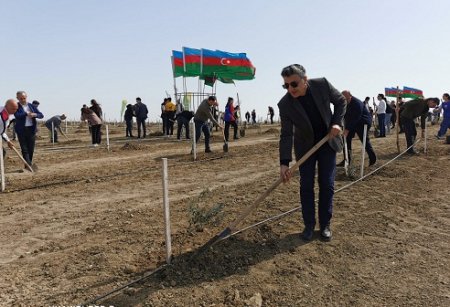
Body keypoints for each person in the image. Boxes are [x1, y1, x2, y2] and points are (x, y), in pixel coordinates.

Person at [278, 64, 345, 242]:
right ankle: (309, 225)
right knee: (306, 186)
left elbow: (340, 101)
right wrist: (284, 163)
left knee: (327, 184)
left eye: (294, 84)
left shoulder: (322, 85)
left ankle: (325, 225)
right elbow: (286, 134)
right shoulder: (285, 104)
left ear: (305, 80)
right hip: (305, 148)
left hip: (327, 142)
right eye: (286, 85)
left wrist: (336, 123)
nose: (290, 89)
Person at [338, 91, 376, 166]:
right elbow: (343, 115)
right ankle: (347, 159)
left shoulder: (357, 103)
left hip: (363, 123)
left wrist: (347, 129)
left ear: (350, 96)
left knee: (364, 140)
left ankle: (372, 158)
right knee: (346, 139)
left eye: (346, 98)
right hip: (352, 123)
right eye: (343, 98)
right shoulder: (344, 103)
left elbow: (356, 118)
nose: (344, 100)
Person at [14, 91, 44, 168]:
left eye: (24, 98)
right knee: (24, 149)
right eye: (21, 98)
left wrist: (35, 114)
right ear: (17, 98)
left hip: (31, 130)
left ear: (26, 97)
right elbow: (17, 115)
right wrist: (26, 113)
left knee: (31, 148)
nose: (23, 100)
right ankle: (28, 165)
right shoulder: (16, 106)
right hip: (21, 130)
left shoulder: (31, 106)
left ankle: (28, 163)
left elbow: (41, 115)